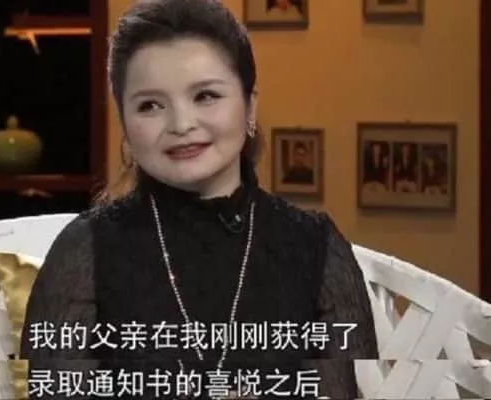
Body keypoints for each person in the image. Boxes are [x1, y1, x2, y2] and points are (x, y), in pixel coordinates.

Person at [20, 0, 378, 398]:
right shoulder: (85, 250)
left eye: (205, 96)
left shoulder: (316, 248)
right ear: (125, 123)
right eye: (150, 105)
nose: (181, 124)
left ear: (250, 106)